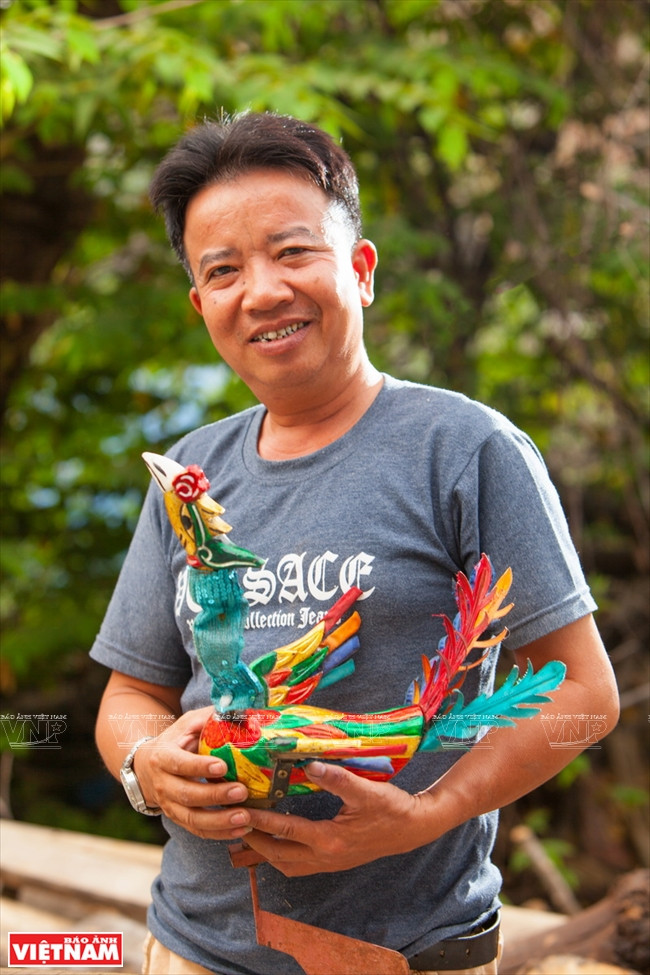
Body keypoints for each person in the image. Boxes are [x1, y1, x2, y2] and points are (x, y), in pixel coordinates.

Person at [91, 112, 619, 975]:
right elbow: (128, 699)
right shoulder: (187, 473)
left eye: (293, 251)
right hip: (194, 948)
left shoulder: (465, 448)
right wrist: (149, 767)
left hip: (407, 954)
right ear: (201, 304)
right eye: (223, 270)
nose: (261, 290)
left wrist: (428, 811)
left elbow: (589, 693)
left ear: (361, 270)